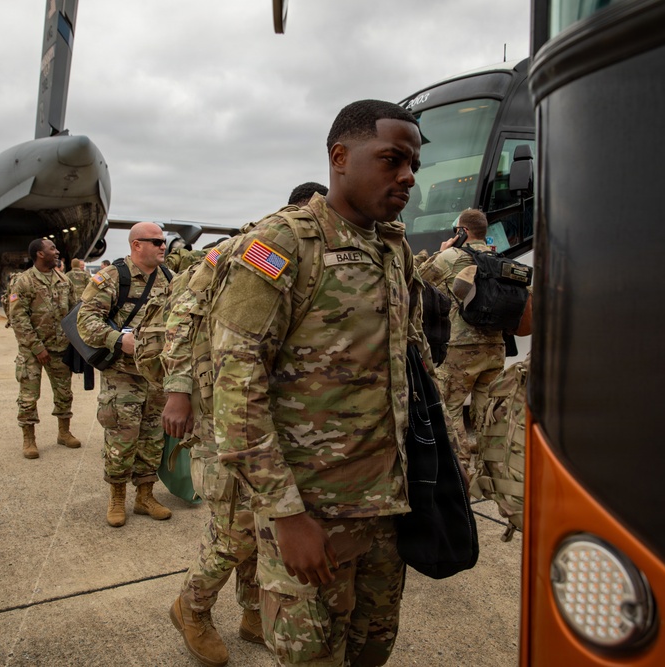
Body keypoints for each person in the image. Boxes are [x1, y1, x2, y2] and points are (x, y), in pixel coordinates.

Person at [208, 100, 428, 666]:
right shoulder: (279, 245)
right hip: (312, 516)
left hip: (385, 511)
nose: (407, 176)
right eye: (392, 159)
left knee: (372, 650)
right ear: (339, 157)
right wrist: (285, 514)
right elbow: (236, 385)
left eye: (414, 165)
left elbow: (411, 362)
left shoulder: (393, 249)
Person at [164, 180, 330, 666]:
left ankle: (252, 612)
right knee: (235, 527)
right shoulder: (254, 247)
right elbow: (185, 316)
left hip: (280, 418)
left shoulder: (326, 252)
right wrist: (178, 392)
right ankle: (191, 607)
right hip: (228, 413)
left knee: (266, 527)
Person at [77, 222, 173, 527]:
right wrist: (118, 340)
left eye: (163, 241)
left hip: (156, 376)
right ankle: (117, 497)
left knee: (153, 437)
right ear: (136, 245)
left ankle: (145, 496)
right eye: (156, 241)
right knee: (122, 436)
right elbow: (85, 321)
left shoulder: (169, 278)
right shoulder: (112, 277)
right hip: (122, 374)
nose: (162, 246)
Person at [418, 208, 506, 469]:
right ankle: (492, 471)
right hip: (495, 346)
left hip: (460, 347)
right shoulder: (498, 257)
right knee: (489, 409)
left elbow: (418, 279)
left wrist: (441, 250)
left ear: (462, 231)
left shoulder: (450, 257)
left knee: (452, 408)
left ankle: (461, 469)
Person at [8, 239, 80, 459]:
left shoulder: (64, 280)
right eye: (52, 249)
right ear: (40, 254)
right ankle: (29, 440)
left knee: (64, 393)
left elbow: (73, 313)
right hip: (32, 351)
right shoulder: (24, 281)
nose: (57, 252)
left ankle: (64, 432)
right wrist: (37, 347)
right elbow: (18, 318)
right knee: (28, 397)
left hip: (60, 348)